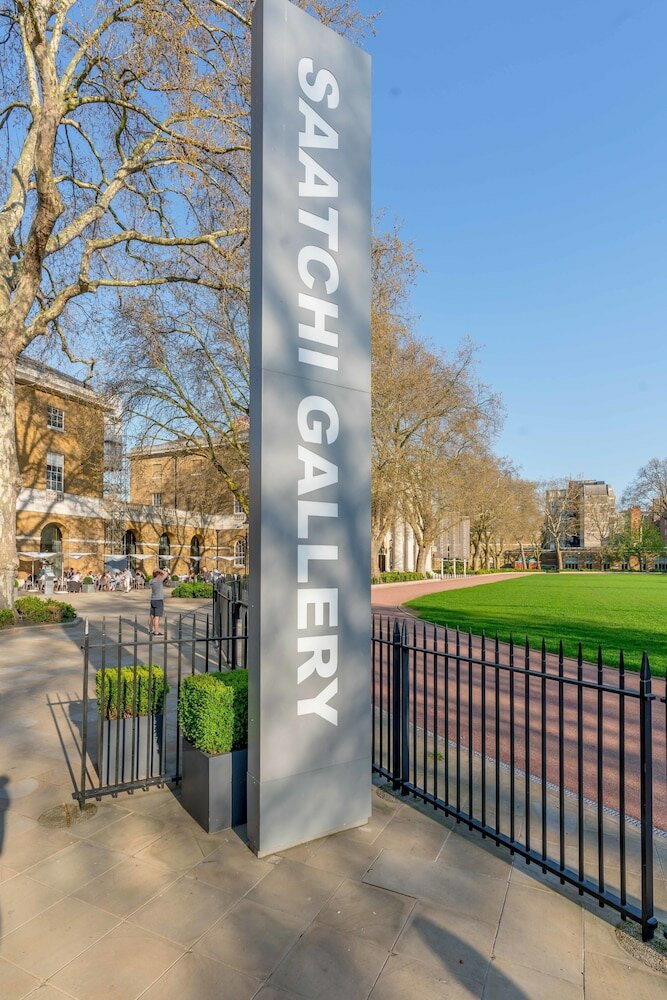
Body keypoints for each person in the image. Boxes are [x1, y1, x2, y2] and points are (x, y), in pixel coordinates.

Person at [149, 568, 169, 636]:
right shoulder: (159, 580)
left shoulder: (151, 581)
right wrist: (159, 570)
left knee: (152, 615)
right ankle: (156, 632)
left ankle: (151, 630)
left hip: (153, 599)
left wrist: (156, 571)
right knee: (157, 616)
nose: (161, 575)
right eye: (160, 574)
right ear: (158, 575)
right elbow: (166, 573)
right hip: (158, 600)